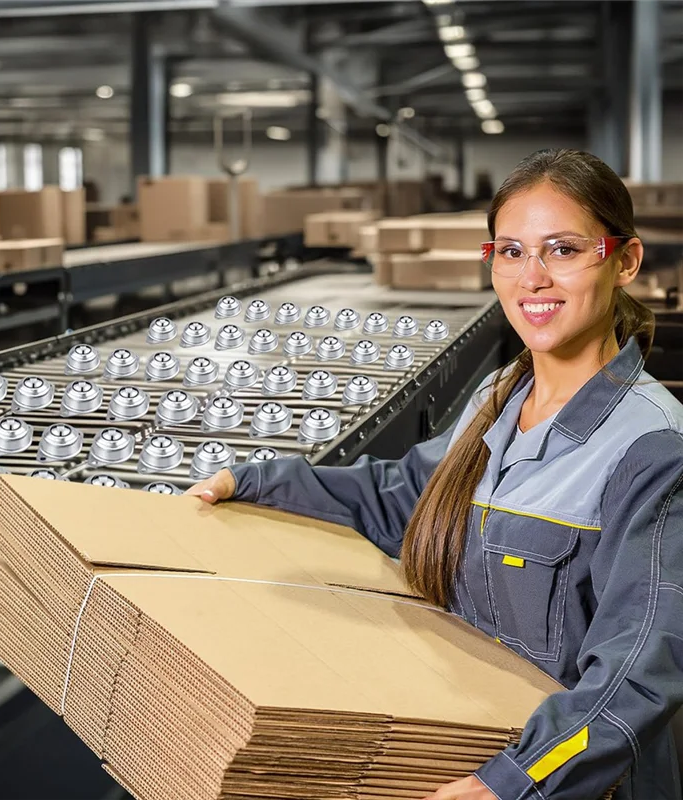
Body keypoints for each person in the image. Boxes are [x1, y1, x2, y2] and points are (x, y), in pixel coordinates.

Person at [185, 149, 683, 800]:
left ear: (624, 261)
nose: (532, 279)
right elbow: (403, 501)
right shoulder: (498, 401)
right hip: (463, 756)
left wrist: (514, 781)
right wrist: (254, 481)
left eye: (562, 250)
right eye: (510, 252)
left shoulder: (652, 446)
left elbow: (639, 671)